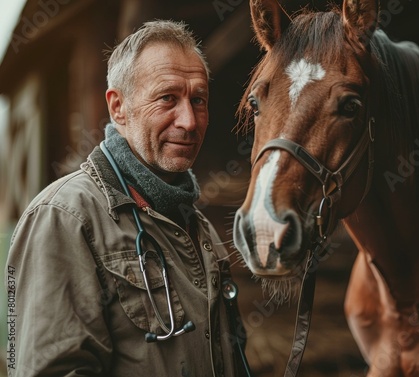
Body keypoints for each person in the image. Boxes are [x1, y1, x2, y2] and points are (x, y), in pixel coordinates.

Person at [5, 20, 247, 377]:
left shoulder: (199, 227)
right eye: (167, 98)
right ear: (118, 108)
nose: (190, 121)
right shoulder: (65, 217)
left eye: (199, 100)